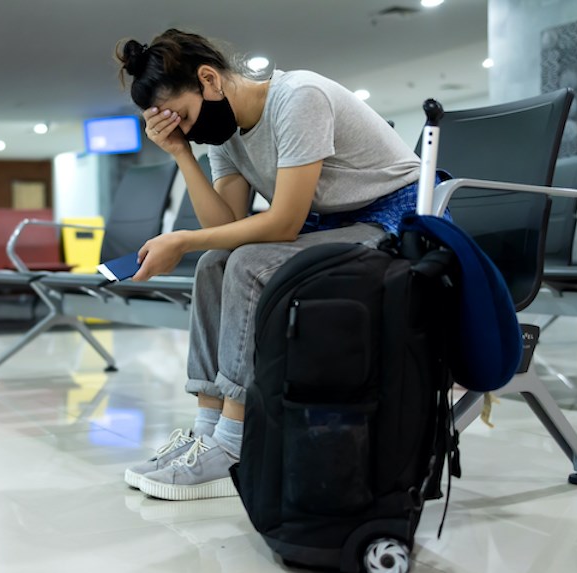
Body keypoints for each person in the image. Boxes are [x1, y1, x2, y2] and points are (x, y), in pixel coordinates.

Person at [116, 29, 425, 502]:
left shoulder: (298, 97)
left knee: (249, 263)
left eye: (184, 118)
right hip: (329, 226)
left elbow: (282, 223)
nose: (186, 130)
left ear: (208, 78)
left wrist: (183, 239)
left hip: (392, 220)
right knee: (216, 263)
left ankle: (234, 446)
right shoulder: (223, 133)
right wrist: (182, 153)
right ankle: (206, 431)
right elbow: (226, 225)